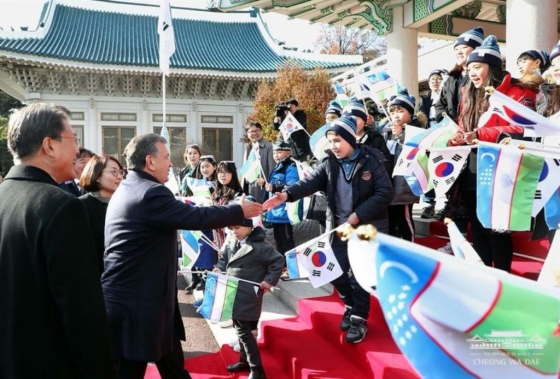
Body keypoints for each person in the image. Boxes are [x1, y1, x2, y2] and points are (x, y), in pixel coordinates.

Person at [101, 133, 262, 379]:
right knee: (131, 369)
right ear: (150, 161)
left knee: (172, 363)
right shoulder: (150, 193)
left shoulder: (130, 186)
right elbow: (196, 217)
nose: (172, 163)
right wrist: (239, 210)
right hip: (139, 305)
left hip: (148, 300)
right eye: (166, 157)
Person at [0, 104, 114, 379]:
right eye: (74, 140)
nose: (78, 151)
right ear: (49, 145)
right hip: (49, 362)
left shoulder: (4, 195)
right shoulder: (62, 206)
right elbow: (80, 310)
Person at [263, 117, 393, 344]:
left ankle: (358, 319)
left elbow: (384, 193)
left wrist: (358, 215)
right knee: (332, 271)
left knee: (360, 274)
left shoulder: (371, 160)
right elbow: (309, 183)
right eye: (330, 140)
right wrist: (285, 195)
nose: (333, 145)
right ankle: (351, 304)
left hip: (366, 229)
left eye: (338, 140)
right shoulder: (328, 162)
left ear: (351, 140)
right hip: (340, 228)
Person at [446, 35, 540, 272]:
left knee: (497, 227)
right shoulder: (470, 93)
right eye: (469, 68)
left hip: (501, 167)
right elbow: (462, 126)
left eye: (477, 67)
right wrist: (456, 138)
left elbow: (523, 129)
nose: (472, 72)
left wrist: (481, 133)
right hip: (472, 167)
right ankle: (484, 274)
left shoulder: (518, 93)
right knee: (477, 226)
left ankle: (503, 277)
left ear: (493, 67)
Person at [214, 206, 284, 379]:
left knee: (245, 332)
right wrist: (219, 268)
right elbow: (225, 260)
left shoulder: (260, 246)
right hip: (233, 291)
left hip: (249, 295)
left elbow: (278, 260)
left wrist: (268, 280)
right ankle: (245, 361)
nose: (234, 232)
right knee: (243, 329)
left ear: (249, 227)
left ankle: (257, 369)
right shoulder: (232, 242)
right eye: (231, 229)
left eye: (237, 228)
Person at [384, 91, 425, 241]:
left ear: (410, 114)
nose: (396, 115)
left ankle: (411, 246)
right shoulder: (387, 131)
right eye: (393, 112)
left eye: (401, 111)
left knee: (405, 220)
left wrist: (401, 135)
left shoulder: (416, 132)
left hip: (404, 186)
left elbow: (415, 151)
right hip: (389, 184)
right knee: (392, 221)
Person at [79, 155, 125, 274]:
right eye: (114, 172)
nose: (119, 177)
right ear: (97, 175)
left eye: (121, 172)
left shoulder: (125, 204)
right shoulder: (80, 206)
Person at [435, 26, 485, 123]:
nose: (458, 52)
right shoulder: (451, 78)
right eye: (456, 48)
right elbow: (440, 104)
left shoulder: (481, 77)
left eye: (464, 47)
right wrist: (444, 120)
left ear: (476, 50)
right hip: (452, 131)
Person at [263, 141, 299, 258]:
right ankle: (283, 267)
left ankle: (292, 267)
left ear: (288, 152)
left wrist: (274, 187)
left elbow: (293, 186)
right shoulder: (278, 168)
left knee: (287, 242)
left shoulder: (290, 167)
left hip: (285, 212)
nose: (276, 155)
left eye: (279, 152)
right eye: (274, 152)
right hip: (276, 212)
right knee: (279, 242)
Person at [243, 121, 275, 203]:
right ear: (247, 134)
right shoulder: (248, 147)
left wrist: (267, 184)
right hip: (249, 188)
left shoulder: (269, 147)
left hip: (262, 189)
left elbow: (272, 170)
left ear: (261, 131)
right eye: (251, 131)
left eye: (257, 130)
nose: (254, 133)